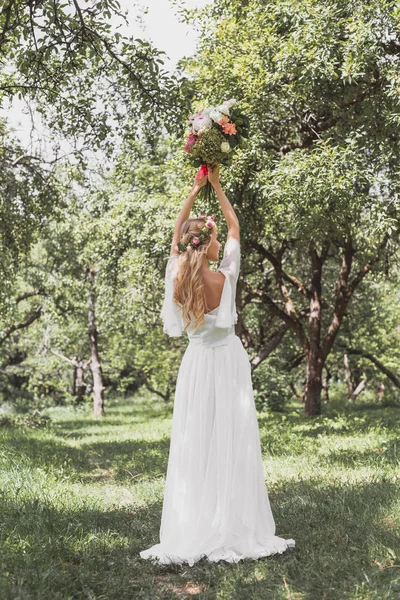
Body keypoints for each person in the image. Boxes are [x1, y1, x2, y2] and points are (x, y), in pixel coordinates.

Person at [139, 165, 295, 566]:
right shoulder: (226, 273)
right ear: (208, 244)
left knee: (197, 438)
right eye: (212, 239)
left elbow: (176, 236)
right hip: (228, 362)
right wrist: (218, 188)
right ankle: (231, 520)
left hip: (196, 365)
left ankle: (195, 521)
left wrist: (193, 192)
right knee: (231, 437)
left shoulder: (177, 275)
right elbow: (234, 225)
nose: (218, 242)